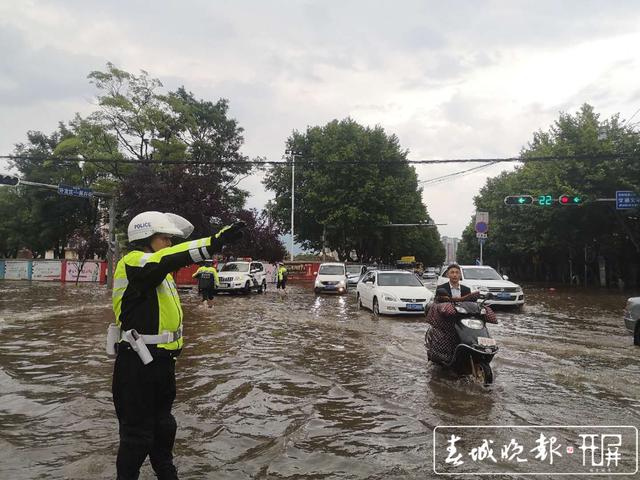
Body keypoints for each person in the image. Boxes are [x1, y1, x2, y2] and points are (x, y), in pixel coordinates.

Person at [111, 211, 244, 480]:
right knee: (137, 437)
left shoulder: (159, 272)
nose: (170, 244)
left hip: (161, 364)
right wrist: (213, 242)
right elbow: (169, 258)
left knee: (164, 430)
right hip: (136, 364)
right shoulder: (135, 262)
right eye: (165, 238)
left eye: (171, 239)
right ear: (146, 238)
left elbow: (168, 261)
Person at [425, 287, 496, 364]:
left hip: (467, 319)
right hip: (446, 328)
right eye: (452, 273)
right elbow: (447, 310)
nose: (454, 275)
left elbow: (473, 302)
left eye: (456, 273)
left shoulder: (465, 289)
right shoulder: (441, 304)